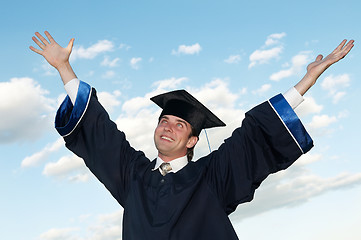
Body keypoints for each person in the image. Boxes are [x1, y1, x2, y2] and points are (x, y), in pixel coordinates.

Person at [30, 31, 354, 240]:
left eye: (180, 125)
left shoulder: (212, 176)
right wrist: (64, 69)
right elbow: (101, 133)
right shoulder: (134, 176)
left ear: (192, 141)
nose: (168, 127)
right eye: (164, 120)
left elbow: (254, 135)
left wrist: (307, 79)